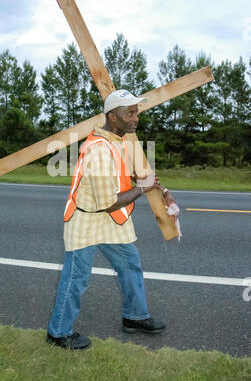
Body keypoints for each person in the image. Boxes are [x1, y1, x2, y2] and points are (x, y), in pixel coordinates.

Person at [46, 89, 175, 350]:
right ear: (113, 117)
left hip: (109, 220)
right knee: (76, 278)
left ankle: (135, 317)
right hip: (86, 220)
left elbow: (131, 176)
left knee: (130, 264)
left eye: (136, 111)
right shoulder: (98, 151)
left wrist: (155, 188)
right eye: (130, 113)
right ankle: (58, 333)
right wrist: (144, 188)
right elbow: (109, 202)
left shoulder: (119, 141)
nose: (135, 117)